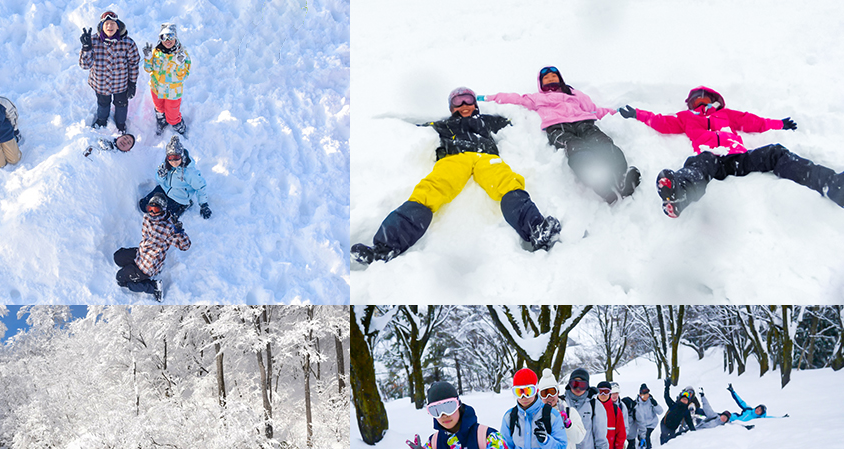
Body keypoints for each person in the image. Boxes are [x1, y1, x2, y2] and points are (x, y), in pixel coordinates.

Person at [351, 87, 562, 265]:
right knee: (429, 191)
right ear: (452, 108)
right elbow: (408, 129)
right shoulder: (444, 125)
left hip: (484, 157)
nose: (463, 106)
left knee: (507, 183)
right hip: (454, 159)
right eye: (457, 102)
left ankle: (536, 230)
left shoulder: (488, 121)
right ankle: (385, 248)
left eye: (468, 100)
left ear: (475, 104)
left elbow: (521, 118)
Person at [619, 87, 844, 217]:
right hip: (712, 157)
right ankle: (680, 191)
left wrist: (778, 124)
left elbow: (752, 122)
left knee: (775, 153)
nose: (700, 102)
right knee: (698, 165)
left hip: (738, 158)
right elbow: (663, 122)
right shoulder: (685, 118)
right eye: (695, 100)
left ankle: (832, 184)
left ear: (714, 99)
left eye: (704, 98)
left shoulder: (725, 115)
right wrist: (638, 114)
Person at [479, 66, 640, 203]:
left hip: (584, 123)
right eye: (546, 77)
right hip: (558, 128)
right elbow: (514, 99)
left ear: (560, 78)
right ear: (540, 83)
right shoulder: (537, 98)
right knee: (578, 150)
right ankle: (604, 188)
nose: (550, 79)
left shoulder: (574, 94)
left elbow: (594, 110)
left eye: (553, 76)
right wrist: (486, 98)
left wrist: (616, 112)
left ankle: (621, 179)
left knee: (603, 143)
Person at [114, 189, 190, 302]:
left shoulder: (169, 229)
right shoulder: (147, 217)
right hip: (140, 253)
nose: (152, 213)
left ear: (163, 210)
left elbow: (185, 246)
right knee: (118, 257)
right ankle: (131, 268)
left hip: (147, 266)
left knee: (120, 279)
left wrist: (179, 232)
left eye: (156, 209)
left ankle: (153, 287)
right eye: (150, 208)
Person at [79, 11, 140, 133]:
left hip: (121, 84)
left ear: (118, 26)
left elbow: (133, 64)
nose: (109, 26)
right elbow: (85, 65)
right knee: (103, 103)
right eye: (106, 23)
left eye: (112, 23)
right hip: (101, 84)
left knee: (121, 104)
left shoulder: (128, 43)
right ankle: (102, 119)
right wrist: (86, 48)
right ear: (101, 26)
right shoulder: (93, 41)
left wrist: (132, 83)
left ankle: (120, 123)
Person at [138, 136, 211, 219]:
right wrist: (161, 176)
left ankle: (184, 205)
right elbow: (159, 179)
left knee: (163, 217)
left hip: (178, 197)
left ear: (181, 156)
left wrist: (204, 205)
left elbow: (201, 186)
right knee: (144, 206)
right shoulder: (166, 164)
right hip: (163, 189)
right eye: (170, 158)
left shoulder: (189, 173)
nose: (173, 161)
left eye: (176, 158)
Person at [143, 23, 191, 135]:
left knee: (172, 115)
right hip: (156, 89)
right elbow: (148, 69)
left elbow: (183, 76)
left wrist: (179, 65)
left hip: (172, 92)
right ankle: (161, 119)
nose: (167, 40)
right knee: (159, 108)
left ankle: (177, 123)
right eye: (163, 37)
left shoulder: (182, 55)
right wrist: (148, 58)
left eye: (170, 36)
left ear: (175, 37)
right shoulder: (157, 52)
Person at [594, 381, 624, 449]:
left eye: (606, 392)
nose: (603, 395)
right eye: (600, 392)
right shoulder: (591, 407)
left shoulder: (615, 410)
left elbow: (621, 432)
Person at [660, 379, 698, 444]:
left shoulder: (686, 411)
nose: (684, 401)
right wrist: (667, 387)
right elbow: (666, 397)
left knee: (670, 442)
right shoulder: (673, 405)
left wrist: (694, 432)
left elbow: (690, 423)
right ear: (680, 399)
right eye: (683, 399)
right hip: (665, 424)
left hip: (673, 428)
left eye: (686, 400)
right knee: (664, 439)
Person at [614, 383, 640, 449]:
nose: (614, 395)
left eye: (616, 393)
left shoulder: (623, 407)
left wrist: (623, 437)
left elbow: (626, 425)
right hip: (611, 439)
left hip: (628, 437)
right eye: (613, 393)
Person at [634, 384, 662, 449]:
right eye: (644, 394)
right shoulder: (636, 404)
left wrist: (655, 404)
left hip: (651, 423)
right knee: (641, 437)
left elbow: (660, 412)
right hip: (641, 425)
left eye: (647, 394)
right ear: (640, 394)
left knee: (647, 437)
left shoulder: (651, 401)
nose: (646, 396)